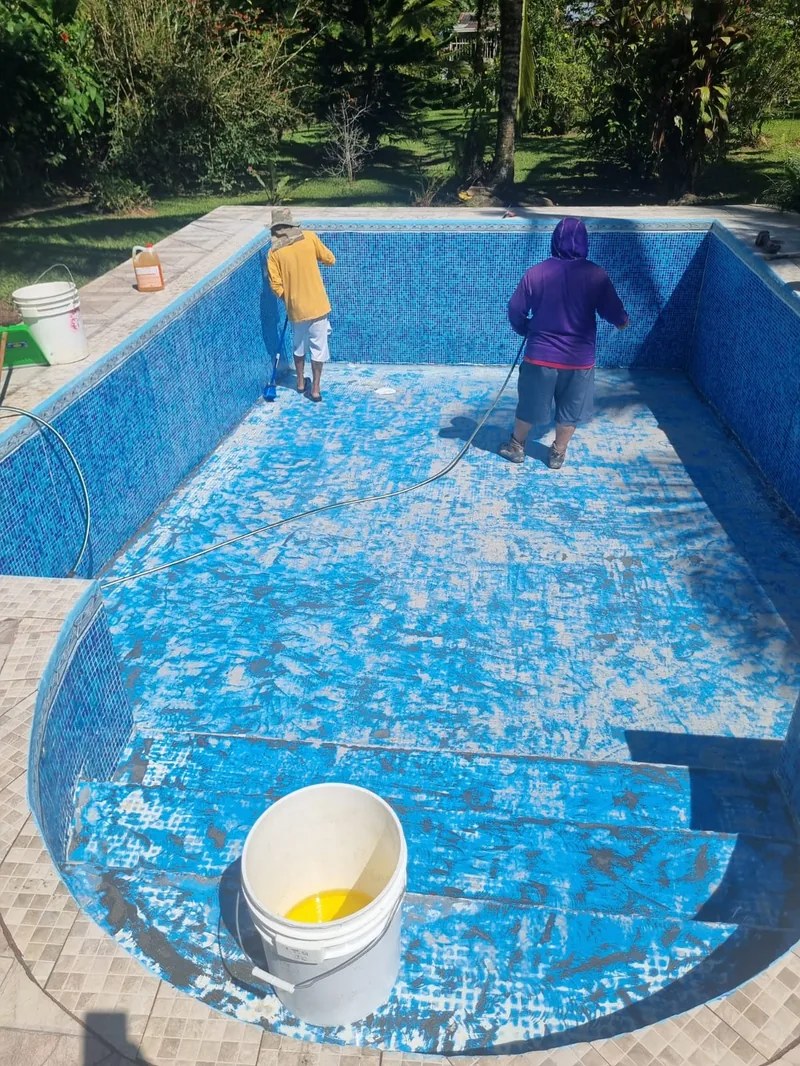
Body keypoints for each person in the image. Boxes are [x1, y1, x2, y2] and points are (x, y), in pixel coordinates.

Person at [499, 216, 629, 469]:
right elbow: (613, 311)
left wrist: (524, 329)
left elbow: (515, 310)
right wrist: (622, 321)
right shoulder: (595, 274)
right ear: (584, 243)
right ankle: (557, 453)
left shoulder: (536, 273)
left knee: (529, 403)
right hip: (578, 360)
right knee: (571, 409)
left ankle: (516, 446)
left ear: (554, 241)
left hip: (540, 356)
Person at [266, 208, 336, 402]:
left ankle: (299, 384)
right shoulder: (310, 238)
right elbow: (330, 259)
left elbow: (275, 286)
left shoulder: (273, 253)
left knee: (299, 345)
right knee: (318, 347)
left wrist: (289, 298)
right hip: (318, 305)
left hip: (296, 309)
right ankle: (315, 390)